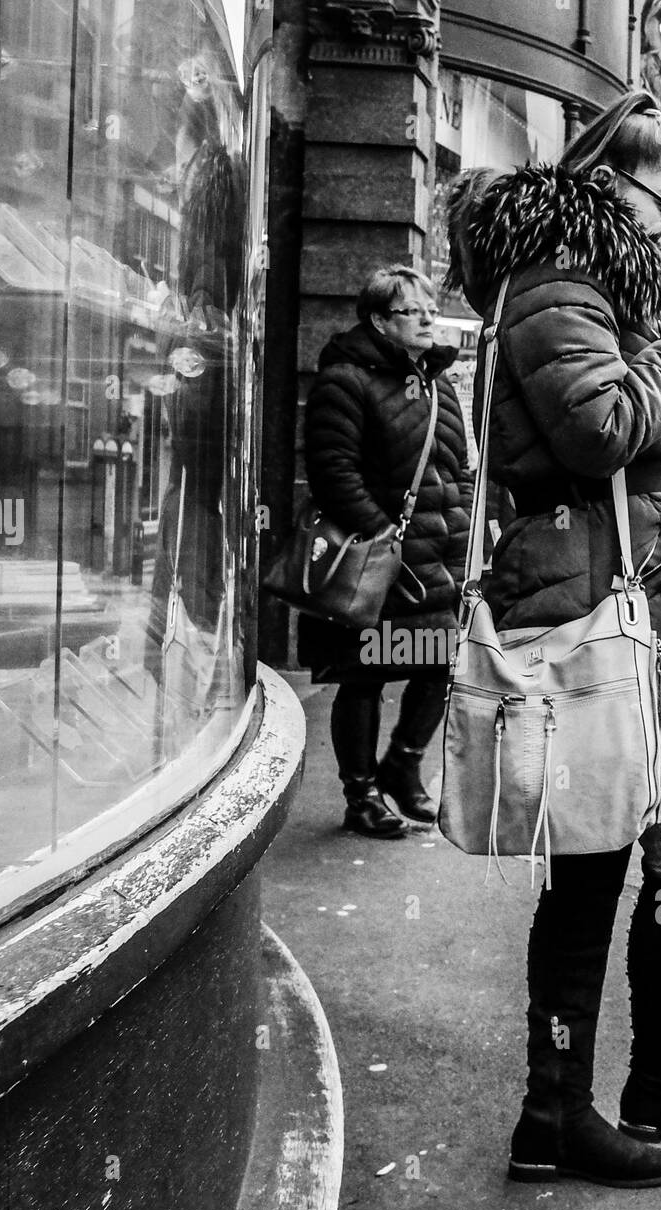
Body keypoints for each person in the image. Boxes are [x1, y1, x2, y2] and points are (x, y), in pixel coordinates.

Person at [445, 91, 661, 1188]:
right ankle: (624, 1092)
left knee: (606, 862)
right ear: (605, 185)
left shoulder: (577, 285)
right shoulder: (557, 286)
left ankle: (581, 1107)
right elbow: (601, 431)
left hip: (616, 605)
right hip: (606, 617)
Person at [300, 265, 471, 838]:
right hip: (379, 560)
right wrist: (385, 541)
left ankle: (402, 764)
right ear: (379, 320)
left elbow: (459, 469)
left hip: (437, 561)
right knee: (365, 675)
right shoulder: (343, 381)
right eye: (411, 310)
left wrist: (468, 532)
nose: (427, 318)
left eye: (430, 307)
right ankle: (361, 796)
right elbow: (333, 473)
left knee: (443, 663)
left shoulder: (438, 381)